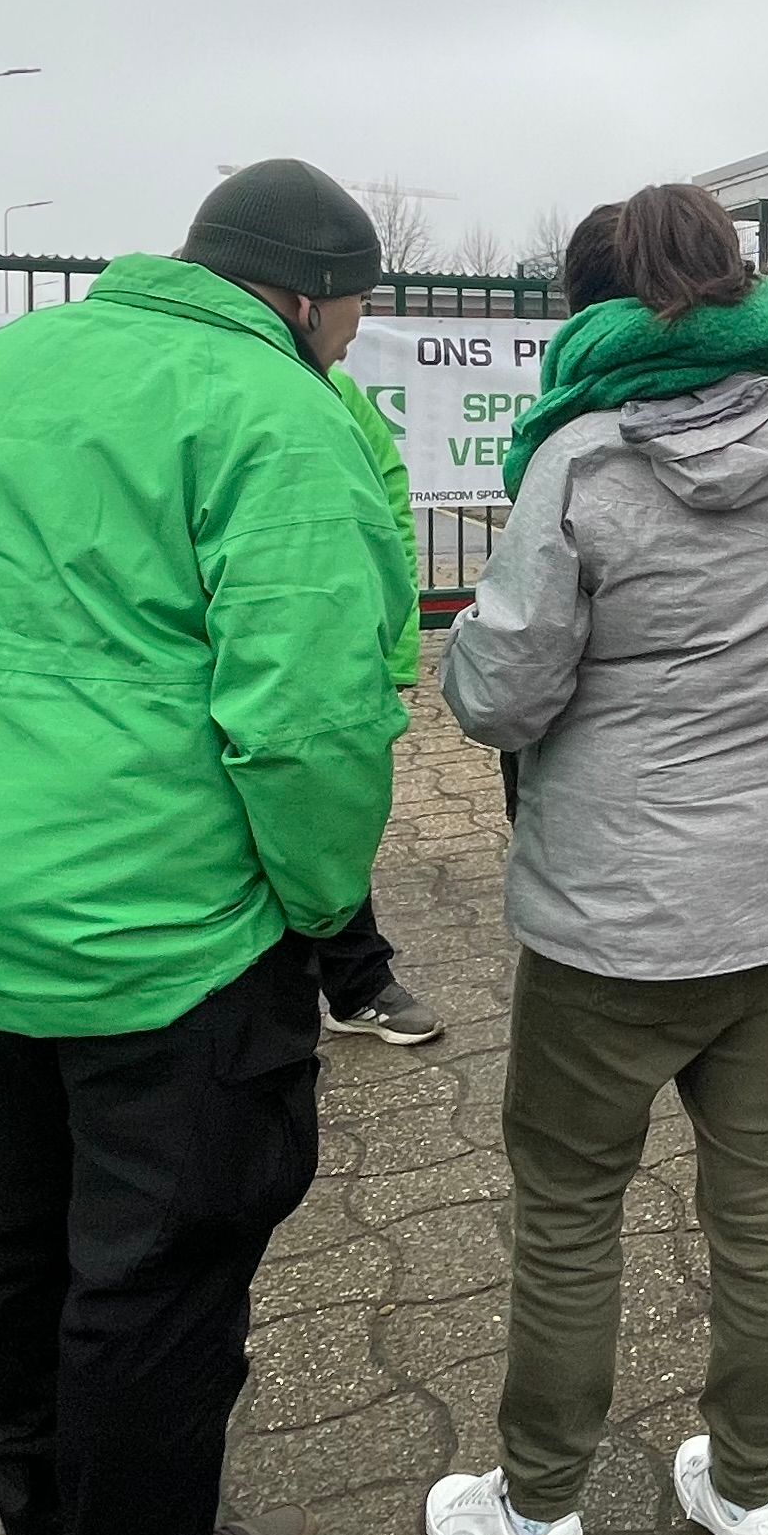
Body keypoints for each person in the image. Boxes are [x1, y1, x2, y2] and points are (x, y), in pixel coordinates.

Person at [0, 158, 406, 1535]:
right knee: (160, 1262)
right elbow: (307, 715)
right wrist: (319, 907)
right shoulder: (277, 412)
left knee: (27, 1239)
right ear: (305, 294)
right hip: (169, 924)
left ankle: (48, 1532)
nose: (350, 341)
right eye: (353, 314)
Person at [427, 183, 768, 1535]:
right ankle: (750, 1492)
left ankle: (539, 1516)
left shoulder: (581, 457)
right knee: (762, 1188)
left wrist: (464, 648)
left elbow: (501, 698)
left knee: (570, 1205)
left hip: (611, 922)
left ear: (603, 308)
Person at [309, 345, 446, 1050]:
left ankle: (356, 984)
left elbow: (388, 507)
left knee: (325, 814)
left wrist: (392, 650)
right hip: (181, 660)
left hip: (319, 652)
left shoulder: (328, 386)